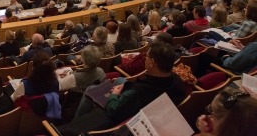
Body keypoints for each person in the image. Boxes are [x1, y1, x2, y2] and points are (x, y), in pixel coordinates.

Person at [57, 42, 186, 135]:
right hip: (153, 104)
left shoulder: (137, 92)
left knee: (91, 88)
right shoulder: (177, 80)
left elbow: (114, 110)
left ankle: (76, 121)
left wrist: (114, 95)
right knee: (119, 80)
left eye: (146, 56)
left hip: (127, 114)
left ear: (152, 62)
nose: (145, 59)